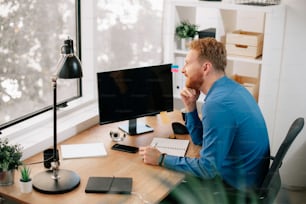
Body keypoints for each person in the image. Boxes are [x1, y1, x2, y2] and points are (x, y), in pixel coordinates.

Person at [139, 38, 270, 202]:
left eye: (187, 64)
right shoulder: (233, 89)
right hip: (247, 180)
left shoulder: (218, 104)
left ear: (206, 67)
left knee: (158, 192)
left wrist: (161, 158)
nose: (183, 70)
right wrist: (191, 108)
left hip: (235, 191)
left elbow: (208, 169)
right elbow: (200, 140)